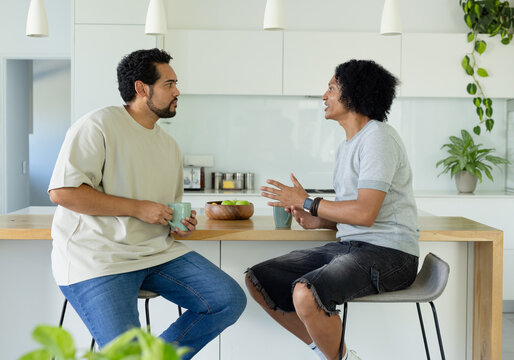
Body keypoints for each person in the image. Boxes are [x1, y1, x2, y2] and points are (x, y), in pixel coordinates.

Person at [48, 48, 246, 358]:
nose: (177, 91)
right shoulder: (98, 125)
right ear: (142, 88)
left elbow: (165, 208)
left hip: (157, 253)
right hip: (99, 257)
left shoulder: (168, 145)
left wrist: (179, 226)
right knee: (125, 353)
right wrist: (139, 208)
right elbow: (63, 193)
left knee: (228, 300)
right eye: (169, 84)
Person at [245, 59, 419, 360]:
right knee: (260, 280)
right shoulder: (348, 145)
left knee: (305, 292)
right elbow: (354, 216)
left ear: (354, 94)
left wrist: (309, 202)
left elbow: (365, 213)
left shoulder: (378, 137)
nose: (324, 96)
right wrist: (317, 219)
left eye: (331, 88)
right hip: (354, 246)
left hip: (391, 254)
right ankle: (336, 356)